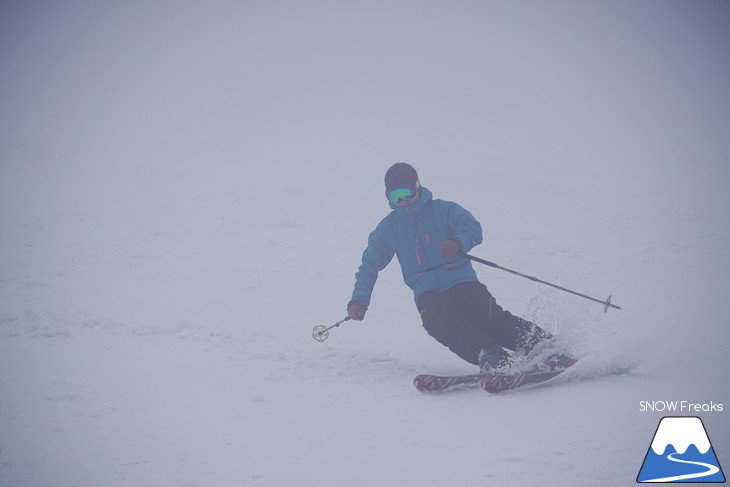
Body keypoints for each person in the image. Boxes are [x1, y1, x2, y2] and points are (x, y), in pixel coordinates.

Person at [347, 162, 572, 373]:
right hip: (426, 290)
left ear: (417, 187)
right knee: (436, 320)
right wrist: (359, 300)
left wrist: (458, 242)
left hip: (460, 279)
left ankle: (546, 348)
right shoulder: (388, 229)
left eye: (407, 192)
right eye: (396, 196)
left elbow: (472, 227)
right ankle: (490, 356)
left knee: (485, 316)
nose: (403, 200)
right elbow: (369, 266)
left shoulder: (443, 210)